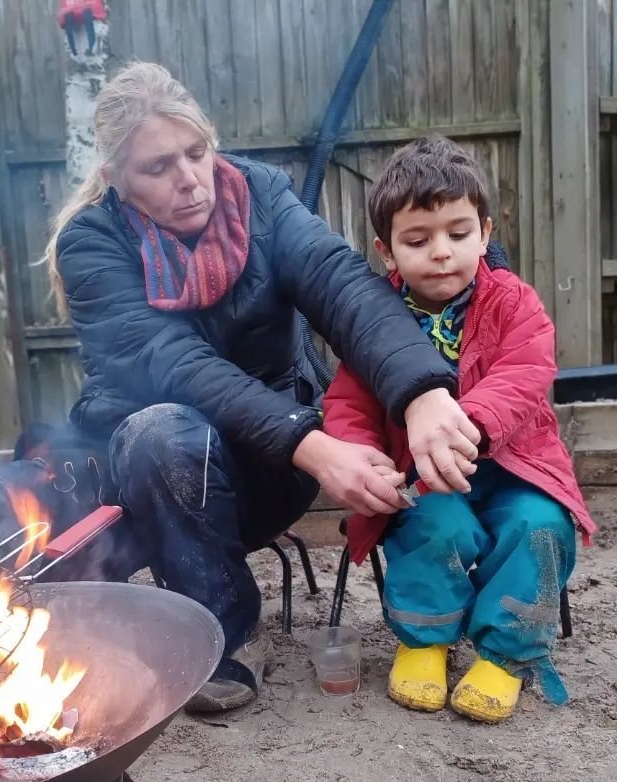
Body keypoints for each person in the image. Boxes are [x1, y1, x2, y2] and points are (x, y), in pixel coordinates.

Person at [30, 63, 487, 716]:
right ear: (115, 182)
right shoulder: (91, 243)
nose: (190, 180)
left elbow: (343, 285)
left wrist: (423, 392)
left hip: (266, 471)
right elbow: (174, 362)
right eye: (158, 168)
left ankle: (214, 628)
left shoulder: (261, 196)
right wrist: (317, 444)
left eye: (196, 153)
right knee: (153, 436)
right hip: (149, 480)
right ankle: (223, 627)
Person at [323, 138, 596, 723]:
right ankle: (426, 641)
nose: (441, 253)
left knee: (540, 525)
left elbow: (526, 373)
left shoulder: (513, 303)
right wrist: (361, 455)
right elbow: (348, 401)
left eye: (458, 233)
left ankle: (505, 655)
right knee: (430, 523)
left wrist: (465, 425)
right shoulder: (374, 321)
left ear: (485, 230)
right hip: (427, 475)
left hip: (517, 465)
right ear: (387, 250)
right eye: (418, 241)